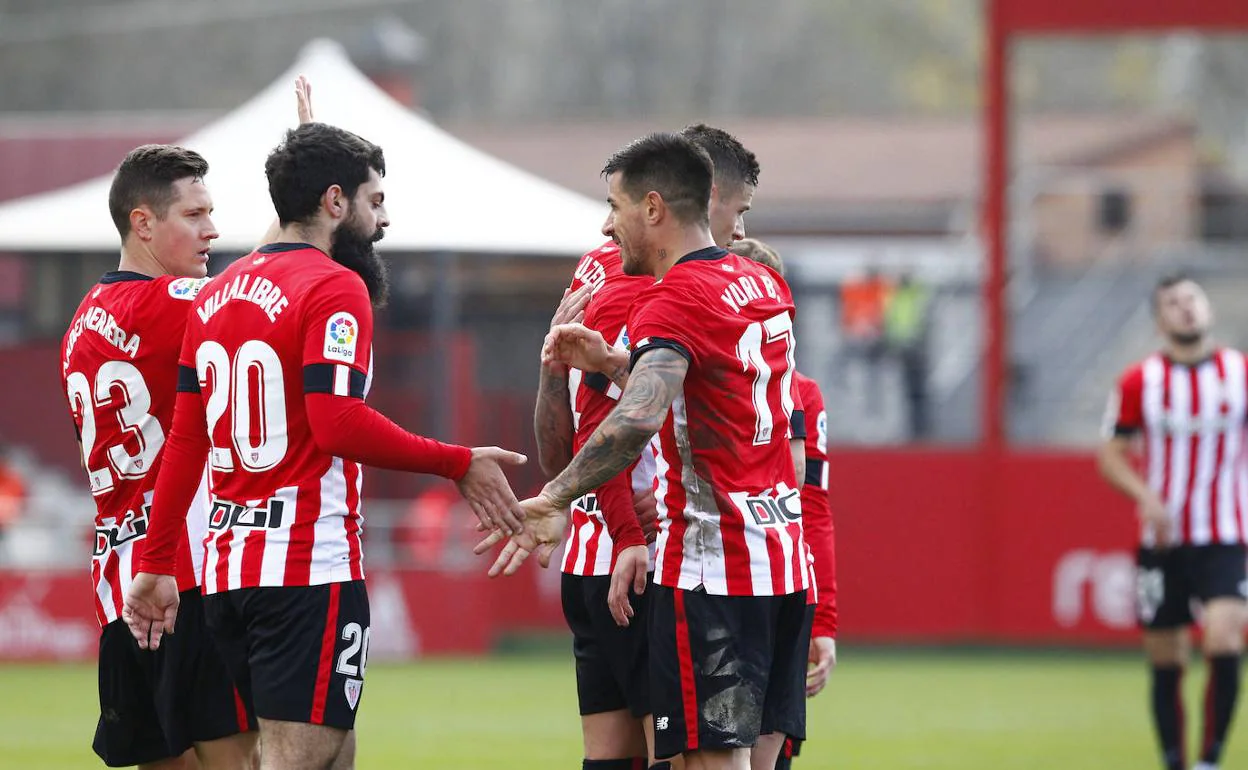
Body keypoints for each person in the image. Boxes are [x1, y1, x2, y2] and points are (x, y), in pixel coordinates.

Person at [123, 122, 528, 770]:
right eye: (375, 200)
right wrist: (456, 462)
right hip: (304, 568)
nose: (384, 218)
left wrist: (158, 560)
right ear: (334, 202)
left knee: (331, 756)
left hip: (229, 571)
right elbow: (335, 422)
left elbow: (185, 442)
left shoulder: (214, 295)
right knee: (296, 759)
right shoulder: (336, 286)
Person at [488, 133, 809, 770]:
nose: (609, 226)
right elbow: (706, 383)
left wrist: (556, 495)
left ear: (654, 209)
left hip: (714, 569)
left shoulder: (675, 299)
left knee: (707, 763)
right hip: (781, 562)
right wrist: (611, 360)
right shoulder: (760, 281)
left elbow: (638, 416)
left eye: (617, 206)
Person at [60, 144, 258, 769]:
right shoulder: (177, 305)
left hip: (119, 586)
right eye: (195, 214)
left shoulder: (81, 321)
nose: (213, 230)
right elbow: (265, 287)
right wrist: (308, 201)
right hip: (185, 578)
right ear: (143, 223)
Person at [1098, 273, 1248, 770]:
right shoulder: (1140, 381)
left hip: (1226, 534)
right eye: (1173, 303)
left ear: (1206, 308)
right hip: (1163, 541)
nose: (1185, 309)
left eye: (1192, 299)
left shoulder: (1239, 372)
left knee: (1226, 636)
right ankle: (1174, 760)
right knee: (1167, 660)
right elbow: (1112, 454)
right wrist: (1145, 497)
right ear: (1160, 321)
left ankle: (1210, 759)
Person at [728, 238, 838, 770]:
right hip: (703, 583)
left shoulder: (801, 395)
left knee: (758, 747)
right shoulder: (679, 377)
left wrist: (826, 621)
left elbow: (811, 508)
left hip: (776, 584)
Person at [883, 271, 931, 439]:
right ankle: (913, 430)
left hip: (916, 351)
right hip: (903, 350)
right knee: (906, 392)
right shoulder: (899, 296)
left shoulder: (913, 295)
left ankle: (919, 430)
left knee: (917, 393)